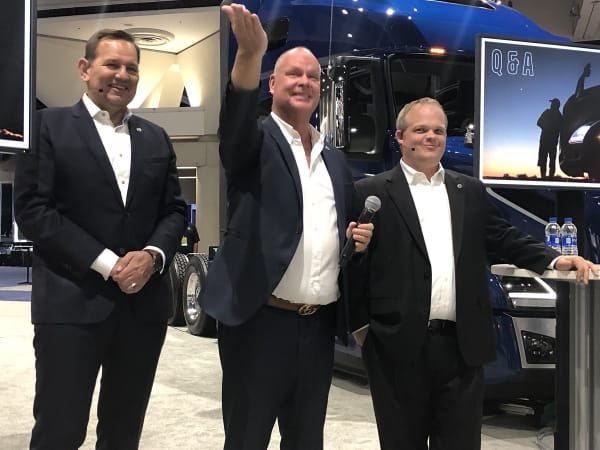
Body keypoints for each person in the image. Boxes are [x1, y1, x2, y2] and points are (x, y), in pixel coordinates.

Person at [348, 97, 598, 450]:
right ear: (401, 137)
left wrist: (556, 260)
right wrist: (361, 328)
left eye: (438, 130)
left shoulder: (469, 190)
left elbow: (504, 237)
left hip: (462, 348)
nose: (432, 137)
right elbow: (352, 264)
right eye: (421, 130)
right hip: (396, 346)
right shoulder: (370, 192)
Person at [199, 3, 373, 449]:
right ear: (273, 84)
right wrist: (248, 55)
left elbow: (340, 231)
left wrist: (357, 238)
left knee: (306, 441)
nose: (304, 82)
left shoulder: (335, 160)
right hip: (259, 322)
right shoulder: (255, 141)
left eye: (313, 76)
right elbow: (234, 122)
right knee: (247, 439)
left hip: (318, 328)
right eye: (293, 74)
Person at [13, 29, 187, 449]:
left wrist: (152, 255)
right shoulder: (47, 126)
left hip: (142, 310)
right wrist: (109, 264)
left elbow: (175, 210)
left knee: (123, 433)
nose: (122, 75)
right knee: (59, 430)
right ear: (84, 68)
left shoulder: (156, 137)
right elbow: (33, 209)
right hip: (70, 305)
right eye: (111, 64)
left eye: (131, 68)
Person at [536, 98, 562, 178]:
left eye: (552, 103)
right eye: (551, 103)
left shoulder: (559, 116)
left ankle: (550, 178)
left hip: (552, 142)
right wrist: (546, 127)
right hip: (544, 141)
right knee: (542, 160)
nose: (551, 105)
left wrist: (551, 129)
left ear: (556, 105)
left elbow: (561, 128)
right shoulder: (547, 112)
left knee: (551, 161)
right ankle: (543, 178)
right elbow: (538, 122)